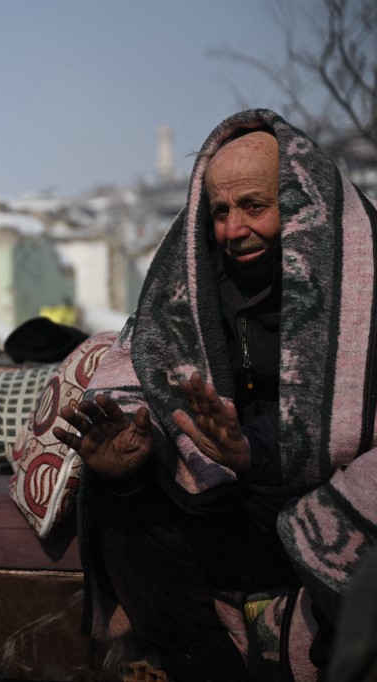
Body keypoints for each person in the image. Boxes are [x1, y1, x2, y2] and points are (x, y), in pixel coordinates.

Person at [53, 109, 377, 681]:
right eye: (221, 212)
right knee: (116, 509)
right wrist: (131, 462)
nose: (234, 229)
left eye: (255, 206)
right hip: (238, 498)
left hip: (337, 497)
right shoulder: (200, 290)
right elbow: (151, 372)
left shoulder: (361, 279)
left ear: (301, 204)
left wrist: (260, 450)